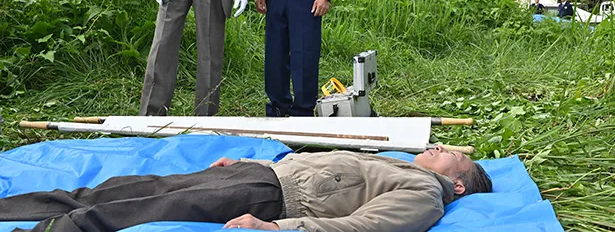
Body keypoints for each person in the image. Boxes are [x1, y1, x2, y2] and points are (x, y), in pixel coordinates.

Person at [0, 146, 492, 232]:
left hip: (268, 199)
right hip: (257, 175)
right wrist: (249, 159)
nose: (440, 147)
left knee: (138, 208)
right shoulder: (394, 162)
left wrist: (277, 225)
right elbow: (312, 160)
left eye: (452, 153)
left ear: (457, 183)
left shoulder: (425, 192)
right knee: (123, 185)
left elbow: (363, 225)